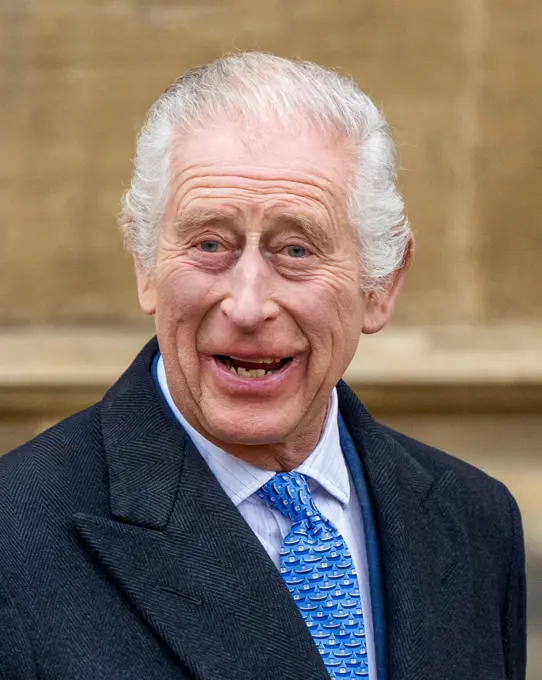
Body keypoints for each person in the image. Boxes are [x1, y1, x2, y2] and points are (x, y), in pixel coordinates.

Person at [0, 53, 525, 680]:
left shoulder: (474, 520)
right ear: (146, 266)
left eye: (296, 248)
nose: (247, 306)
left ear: (381, 283)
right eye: (210, 244)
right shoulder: (15, 535)